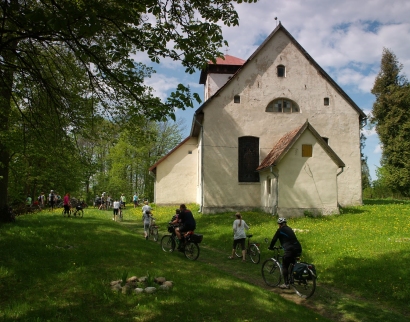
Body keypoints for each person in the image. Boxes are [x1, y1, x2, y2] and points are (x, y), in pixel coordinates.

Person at [268, 217, 302, 289]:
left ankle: (286, 284)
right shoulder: (290, 229)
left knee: (285, 265)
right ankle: (292, 279)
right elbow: (289, 239)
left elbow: (274, 239)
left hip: (290, 250)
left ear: (279, 224)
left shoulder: (280, 230)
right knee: (292, 262)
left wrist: (271, 247)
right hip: (298, 248)